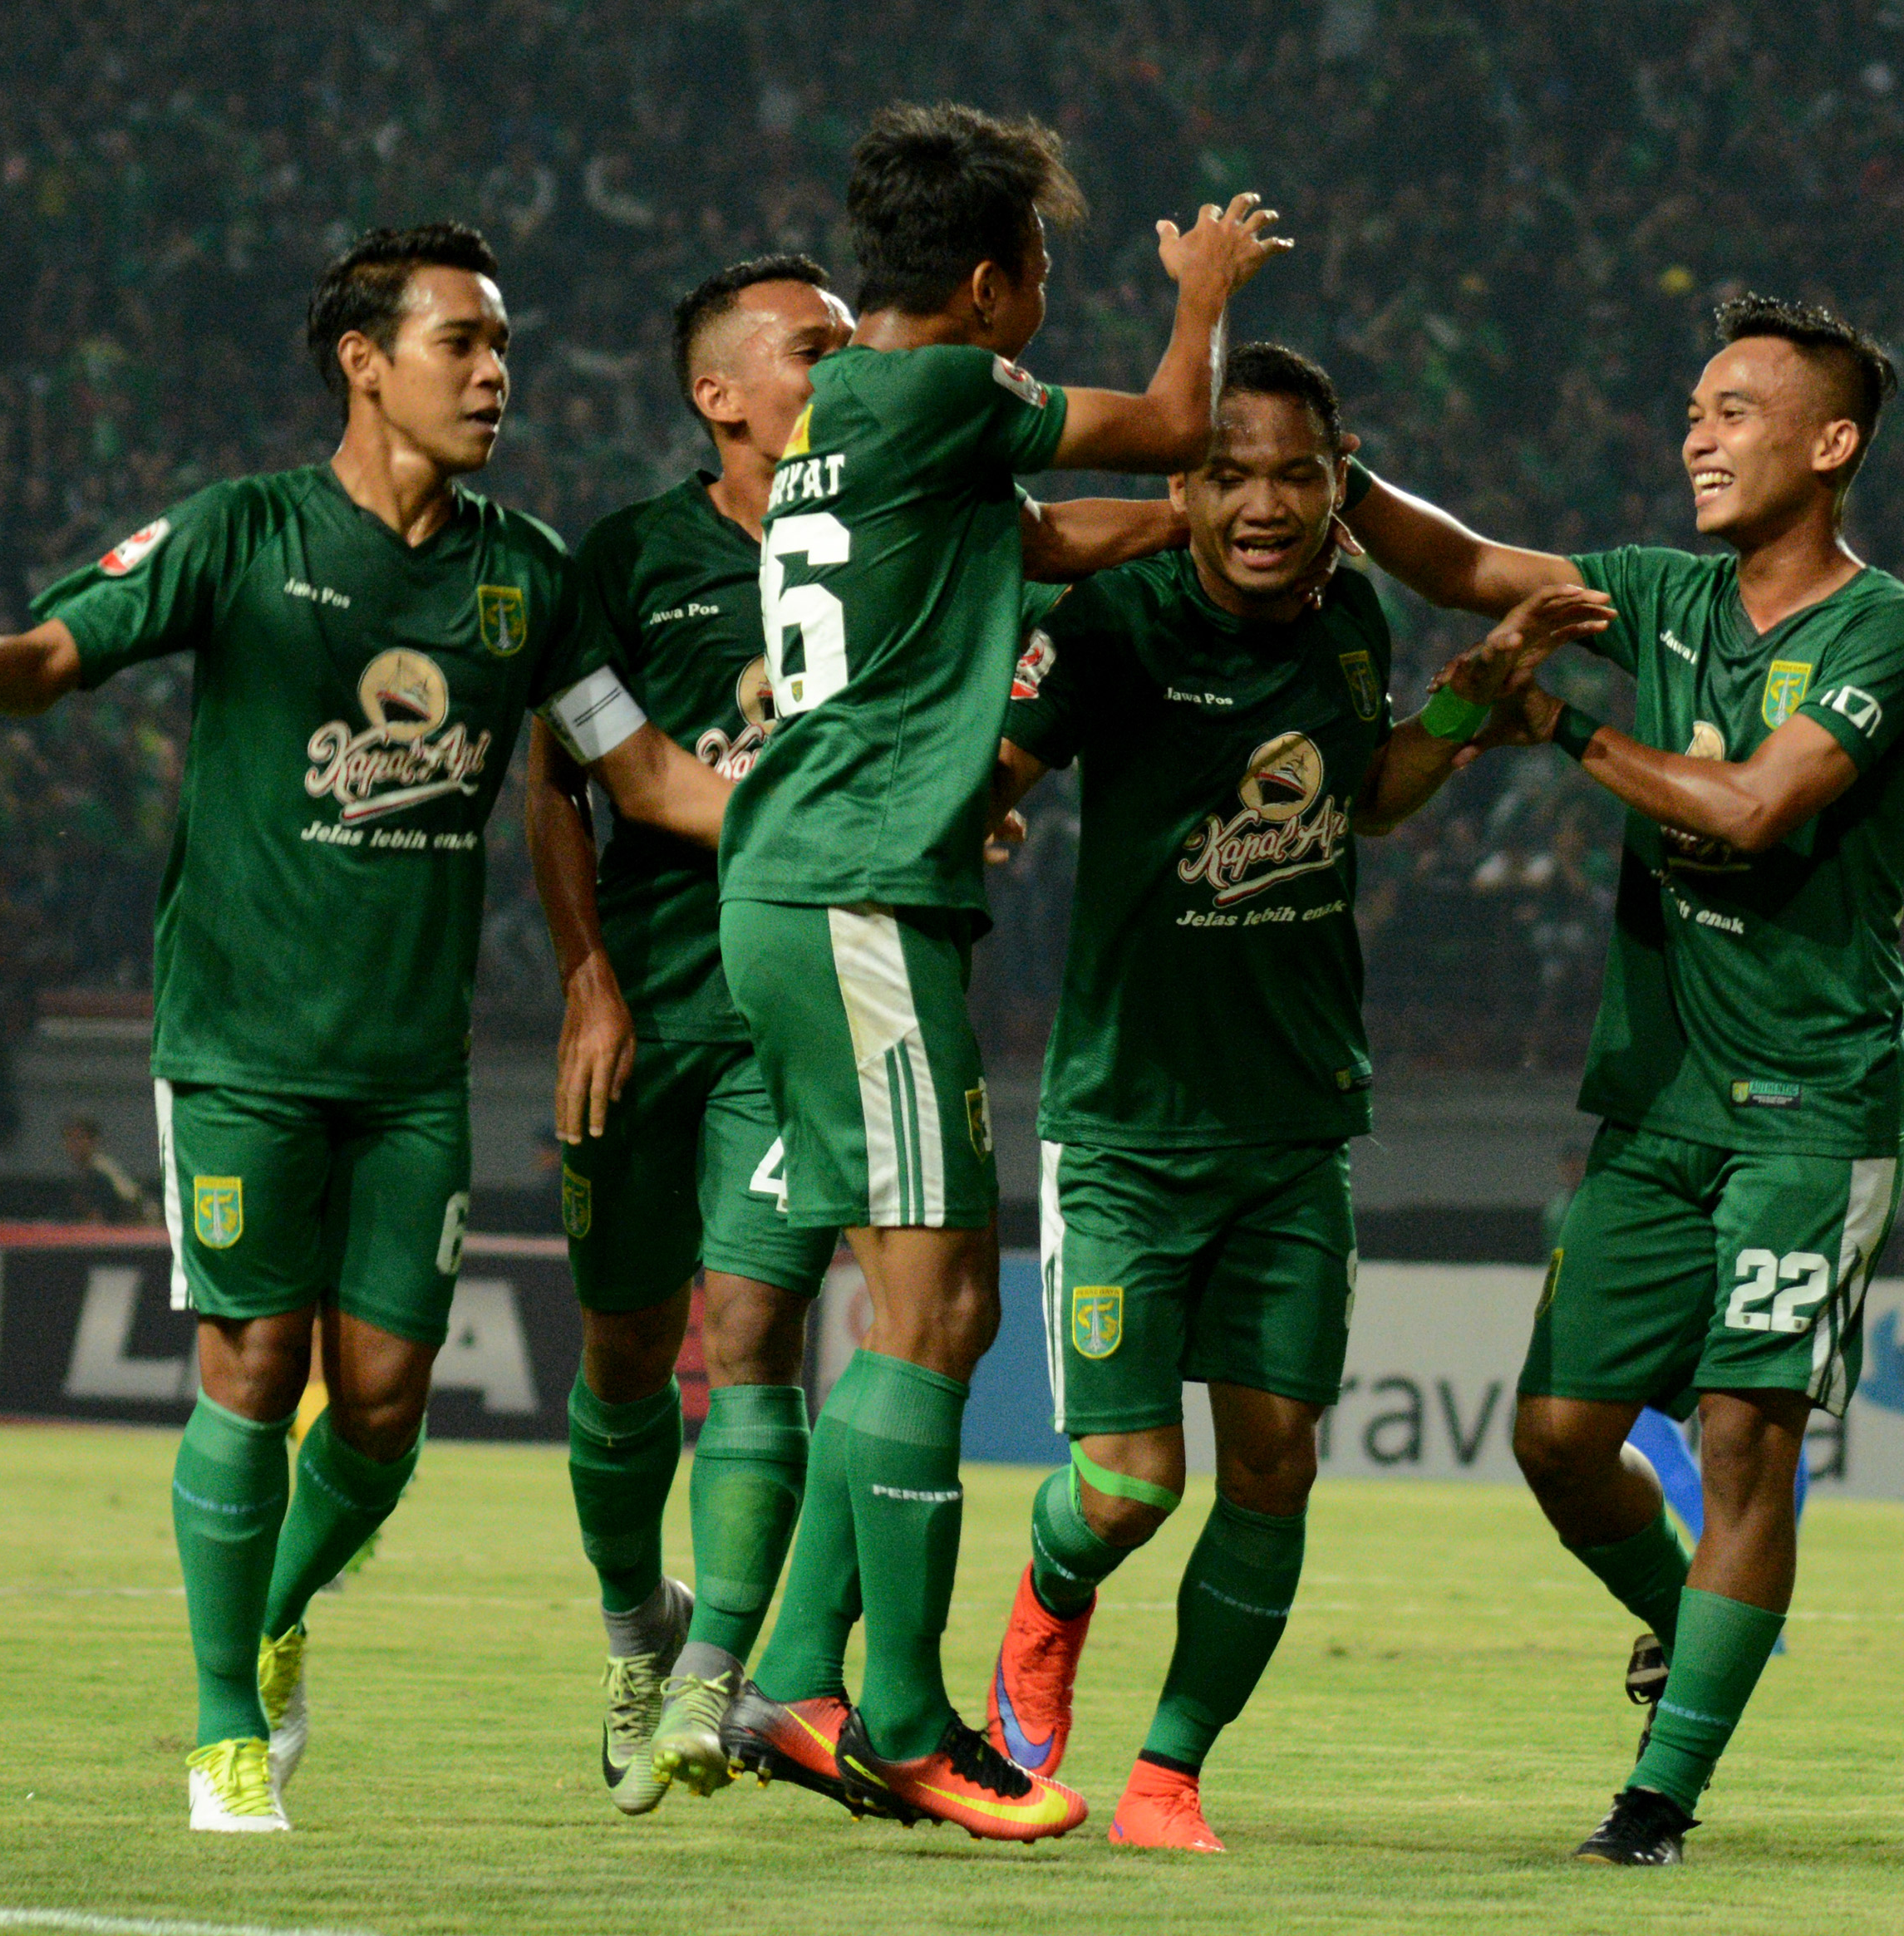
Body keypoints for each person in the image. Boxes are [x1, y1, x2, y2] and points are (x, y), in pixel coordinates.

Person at [0, 222, 729, 1834]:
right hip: (243, 1042)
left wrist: (848, 830)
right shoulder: (242, 530)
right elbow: (41, 661)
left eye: (502, 344)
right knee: (254, 1366)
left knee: (384, 1412)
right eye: (460, 341)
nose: (495, 372)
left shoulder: (526, 572)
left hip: (410, 1069)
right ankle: (221, 1730)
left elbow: (650, 775)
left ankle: (272, 1609)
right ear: (363, 362)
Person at [527, 252, 1188, 1819]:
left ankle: (734, 1681)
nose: (843, 368)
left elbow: (1042, 548)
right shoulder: (630, 557)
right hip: (699, 972)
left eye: (844, 340)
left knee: (774, 1336)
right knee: (632, 1351)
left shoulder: (912, 506)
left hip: (793, 981)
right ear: (721, 394)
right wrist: (588, 975)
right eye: (810, 348)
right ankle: (663, 1638)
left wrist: (1190, 525)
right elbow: (585, 781)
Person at [711, 101, 1287, 1842]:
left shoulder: (847, 424)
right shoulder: (951, 389)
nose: (1050, 297)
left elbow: (1023, 547)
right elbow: (1178, 414)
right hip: (859, 894)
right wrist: (1205, 289)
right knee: (943, 1311)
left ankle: (803, 1681)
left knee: (910, 1308)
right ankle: (897, 1714)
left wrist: (1169, 525)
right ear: (986, 286)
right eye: (1044, 271)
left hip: (809, 892)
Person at [974, 342, 1606, 1850]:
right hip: (1126, 1126)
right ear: (1181, 482)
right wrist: (977, 814)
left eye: (1295, 473)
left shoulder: (1349, 618)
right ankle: (1047, 1603)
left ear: (1341, 480)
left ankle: (1168, 1776)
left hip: (1294, 1129)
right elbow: (999, 764)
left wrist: (1468, 698)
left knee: (1273, 1467)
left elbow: (1370, 799)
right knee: (1126, 1489)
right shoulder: (1113, 616)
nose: (1263, 502)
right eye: (1231, 470)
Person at [1346, 292, 1904, 1863]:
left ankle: (1655, 1804)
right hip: (1660, 1102)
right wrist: (1327, 477)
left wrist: (1547, 718)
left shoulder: (1886, 631)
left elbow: (1755, 809)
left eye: (1737, 409)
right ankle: (1676, 1618)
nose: (1698, 432)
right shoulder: (1659, 594)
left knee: (1747, 1436)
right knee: (1555, 1437)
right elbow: (1470, 567)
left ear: (1831, 446)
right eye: (1694, 407)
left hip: (1811, 1104)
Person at [61, 1114, 154, 1226]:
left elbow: (131, 1202)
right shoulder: (84, 1172)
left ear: (94, 1141)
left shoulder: (101, 1170)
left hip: (139, 1228)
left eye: (80, 1138)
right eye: (70, 1138)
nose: (75, 1144)